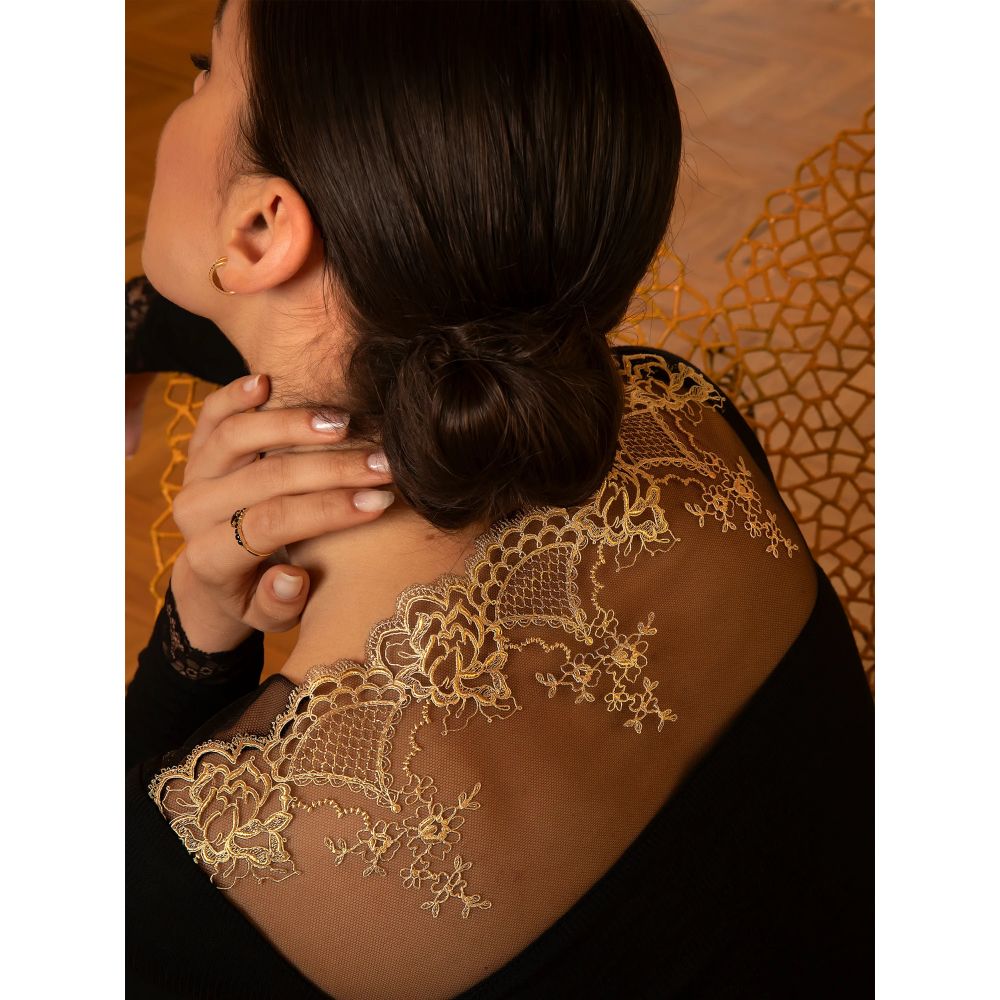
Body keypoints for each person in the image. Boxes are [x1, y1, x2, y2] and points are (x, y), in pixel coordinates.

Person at [125, 2, 874, 998]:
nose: (187, 92)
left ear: (262, 227)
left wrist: (195, 645)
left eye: (205, 69)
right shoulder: (685, 425)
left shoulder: (223, 867)